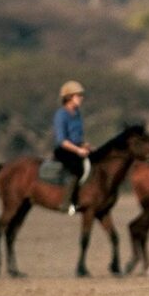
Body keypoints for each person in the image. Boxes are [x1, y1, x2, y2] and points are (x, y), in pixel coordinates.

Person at [53, 80, 91, 215]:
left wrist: (85, 145)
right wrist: (78, 150)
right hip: (64, 150)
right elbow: (62, 140)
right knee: (76, 168)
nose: (81, 98)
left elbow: (78, 136)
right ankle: (66, 202)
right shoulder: (61, 115)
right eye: (78, 95)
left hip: (77, 148)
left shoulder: (78, 113)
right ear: (69, 97)